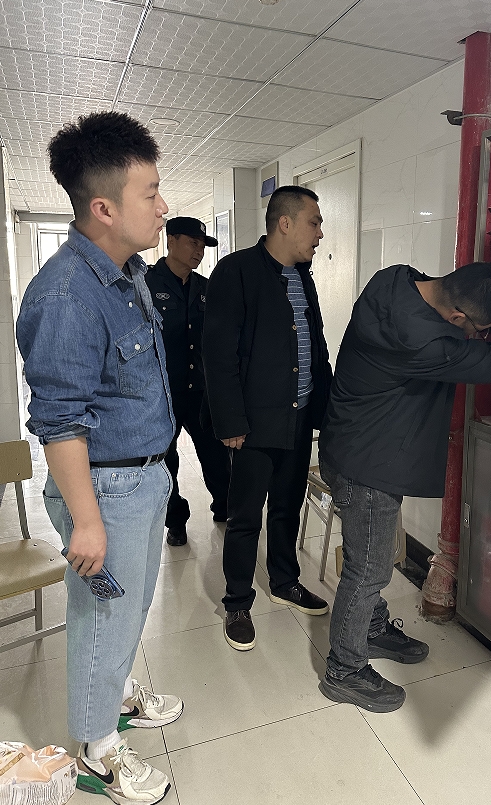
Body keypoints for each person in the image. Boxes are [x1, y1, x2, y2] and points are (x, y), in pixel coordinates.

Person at [16, 112, 183, 804]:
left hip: (143, 476)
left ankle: (113, 694)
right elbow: (59, 422)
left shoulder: (127, 271)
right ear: (104, 208)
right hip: (105, 490)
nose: (164, 206)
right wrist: (85, 520)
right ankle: (97, 751)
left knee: (132, 604)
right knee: (102, 616)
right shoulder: (67, 294)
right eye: (151, 192)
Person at [317, 262, 491, 713]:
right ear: (457, 317)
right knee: (368, 570)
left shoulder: (394, 280)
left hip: (361, 448)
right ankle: (344, 670)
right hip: (367, 466)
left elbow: (468, 311)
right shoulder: (420, 341)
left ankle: (370, 629)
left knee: (373, 557)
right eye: (478, 329)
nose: (478, 336)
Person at [203, 185, 332, 651]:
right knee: (244, 517)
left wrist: (326, 410)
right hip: (254, 424)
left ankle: (284, 581)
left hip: (297, 418)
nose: (319, 233)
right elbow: (218, 354)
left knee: (286, 506)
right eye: (314, 222)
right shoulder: (235, 272)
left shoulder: (302, 276)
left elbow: (315, 346)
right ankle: (237, 601)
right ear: (285, 223)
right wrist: (231, 422)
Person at [146, 216, 231, 546]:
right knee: (166, 464)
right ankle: (176, 521)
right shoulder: (146, 284)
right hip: (162, 395)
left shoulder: (205, 288)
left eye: (202, 245)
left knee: (217, 457)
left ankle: (225, 507)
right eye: (193, 243)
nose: (199, 250)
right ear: (171, 240)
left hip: (201, 393)